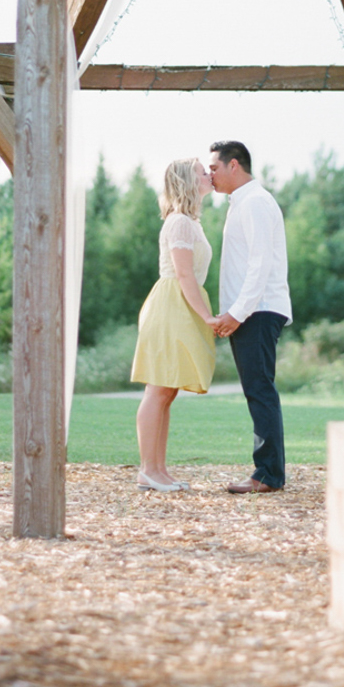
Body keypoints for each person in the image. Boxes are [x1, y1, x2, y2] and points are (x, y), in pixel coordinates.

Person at [209, 140, 292, 494]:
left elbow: (261, 264)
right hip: (251, 312)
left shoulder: (256, 202)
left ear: (234, 165)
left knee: (260, 391)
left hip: (255, 312)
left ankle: (268, 475)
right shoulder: (243, 203)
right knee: (257, 390)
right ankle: (269, 472)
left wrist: (237, 314)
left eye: (214, 167)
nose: (209, 175)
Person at [130, 158, 217, 491]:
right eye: (200, 172)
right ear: (186, 182)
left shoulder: (190, 222)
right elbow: (183, 274)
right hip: (171, 304)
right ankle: (148, 469)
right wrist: (207, 316)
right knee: (158, 388)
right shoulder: (179, 222)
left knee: (168, 391)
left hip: (180, 304)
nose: (208, 175)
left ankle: (159, 469)